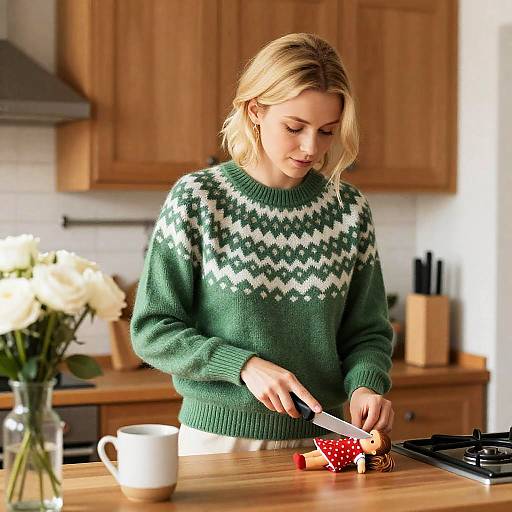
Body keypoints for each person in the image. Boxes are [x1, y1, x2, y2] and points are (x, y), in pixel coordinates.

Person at [130, 32, 394, 457]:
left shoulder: (349, 210)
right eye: (295, 127)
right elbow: (152, 330)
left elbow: (367, 332)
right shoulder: (199, 199)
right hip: (219, 442)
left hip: (329, 440)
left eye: (327, 131)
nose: (311, 148)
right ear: (255, 111)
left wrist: (366, 384)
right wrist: (243, 365)